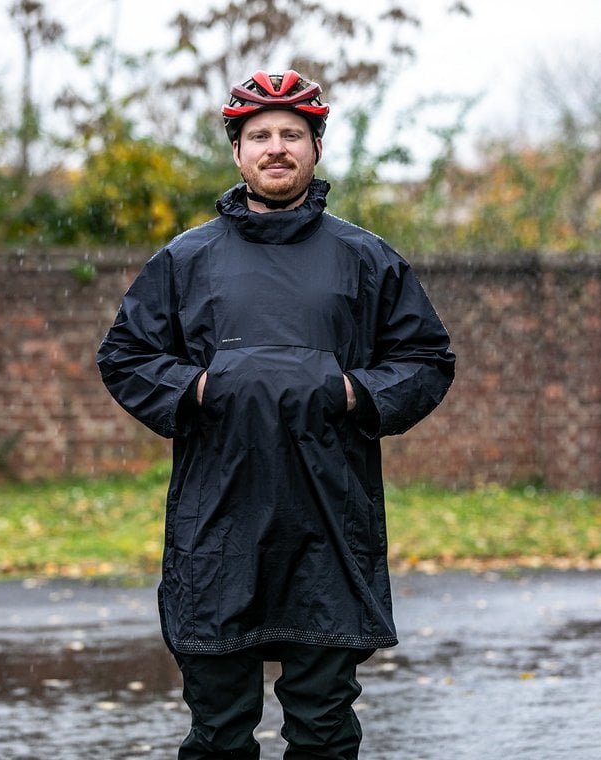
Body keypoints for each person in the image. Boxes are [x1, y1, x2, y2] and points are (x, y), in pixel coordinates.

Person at [96, 69, 455, 759]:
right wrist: (202, 388)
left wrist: (350, 391)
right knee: (219, 732)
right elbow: (125, 357)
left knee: (323, 728)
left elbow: (426, 359)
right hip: (218, 522)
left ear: (316, 147)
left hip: (327, 518)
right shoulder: (186, 259)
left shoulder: (364, 258)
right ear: (237, 152)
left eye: (292, 134)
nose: (276, 148)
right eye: (259, 135)